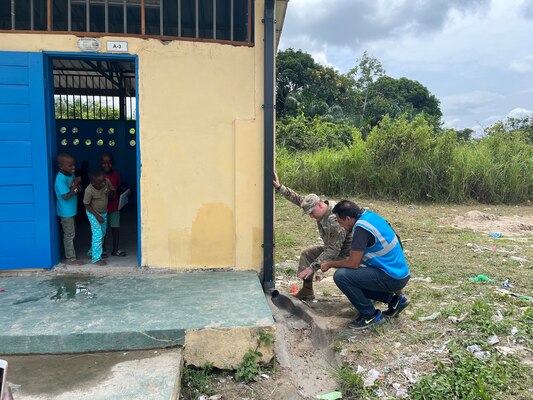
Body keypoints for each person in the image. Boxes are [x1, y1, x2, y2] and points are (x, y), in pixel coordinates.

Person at [306, 200, 410, 330]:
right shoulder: (369, 216)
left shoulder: (361, 229)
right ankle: (395, 301)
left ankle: (370, 315)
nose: (341, 226)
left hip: (392, 276)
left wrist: (330, 264)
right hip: (399, 272)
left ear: (348, 219)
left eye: (340, 222)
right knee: (356, 279)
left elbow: (353, 263)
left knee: (342, 277)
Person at [274, 171, 352, 300]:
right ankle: (307, 291)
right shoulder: (320, 207)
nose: (311, 216)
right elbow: (299, 199)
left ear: (320, 204)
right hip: (332, 249)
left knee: (336, 270)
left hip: (347, 254)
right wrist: (279, 187)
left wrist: (313, 267)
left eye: (312, 212)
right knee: (307, 254)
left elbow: (333, 251)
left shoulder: (335, 220)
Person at [54, 153, 84, 265]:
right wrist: (76, 184)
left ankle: (71, 256)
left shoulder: (70, 174)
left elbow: (74, 189)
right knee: (69, 234)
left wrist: (78, 186)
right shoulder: (60, 179)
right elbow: (65, 196)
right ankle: (70, 258)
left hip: (71, 210)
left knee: (72, 233)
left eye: (74, 165)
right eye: (70, 166)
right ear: (61, 166)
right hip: (66, 212)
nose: (73, 168)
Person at [84, 170, 115, 265]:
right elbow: (87, 205)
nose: (104, 183)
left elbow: (113, 194)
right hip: (93, 213)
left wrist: (110, 192)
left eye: (104, 180)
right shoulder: (89, 190)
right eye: (100, 182)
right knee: (98, 234)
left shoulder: (106, 182)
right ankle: (96, 259)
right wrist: (97, 216)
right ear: (93, 183)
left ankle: (91, 252)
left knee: (102, 234)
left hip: (104, 212)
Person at [101, 153, 127, 257]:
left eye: (109, 163)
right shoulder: (99, 176)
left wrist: (125, 192)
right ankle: (103, 250)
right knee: (103, 230)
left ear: (113, 163)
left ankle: (115, 249)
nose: (107, 165)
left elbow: (119, 187)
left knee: (115, 228)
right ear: (101, 163)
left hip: (115, 206)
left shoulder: (116, 175)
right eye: (104, 163)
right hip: (102, 208)